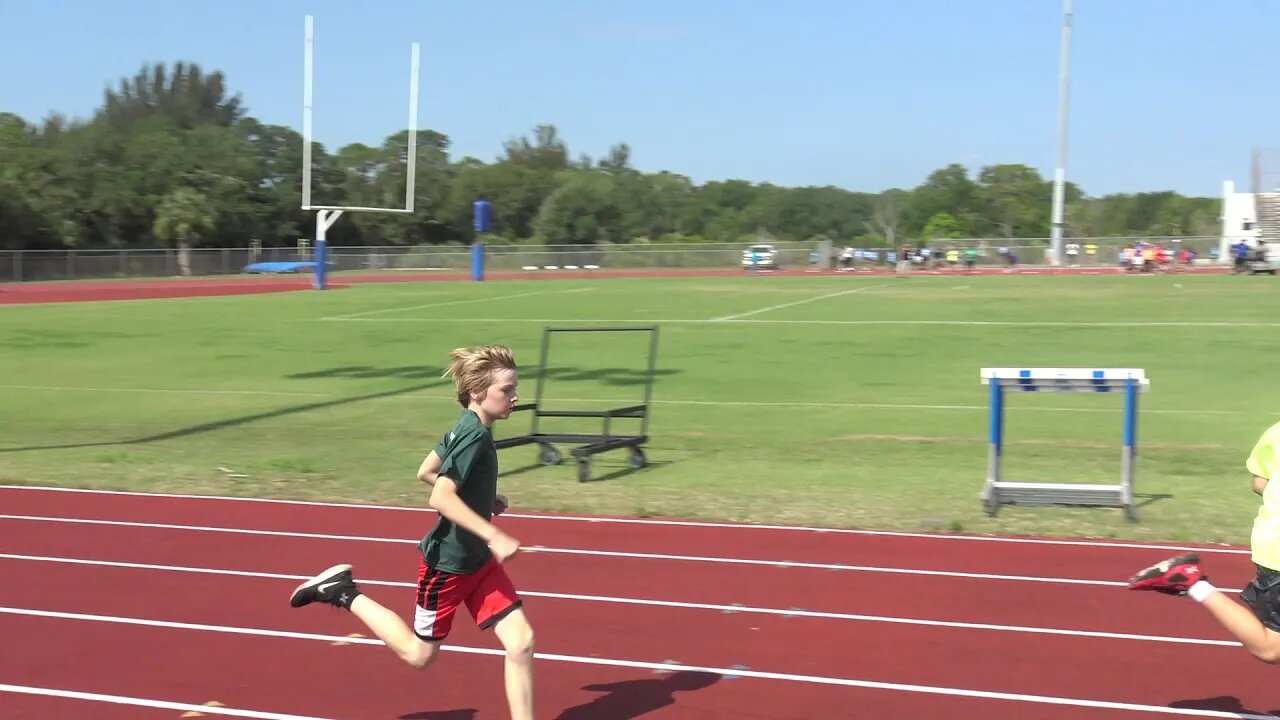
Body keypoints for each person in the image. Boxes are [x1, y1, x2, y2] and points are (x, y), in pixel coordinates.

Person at [288, 344, 536, 718]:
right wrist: (493, 533)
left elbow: (425, 471)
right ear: (477, 392)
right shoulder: (474, 436)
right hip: (449, 567)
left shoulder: (467, 427)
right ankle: (341, 591)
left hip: (478, 563)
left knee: (521, 642)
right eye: (507, 390)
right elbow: (440, 495)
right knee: (419, 655)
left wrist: (483, 500)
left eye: (515, 388)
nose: (515, 397)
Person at [1128, 419, 1280, 664]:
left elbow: (1260, 482)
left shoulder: (1276, 431)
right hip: (1277, 551)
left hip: (1270, 539)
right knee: (1272, 649)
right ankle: (1193, 583)